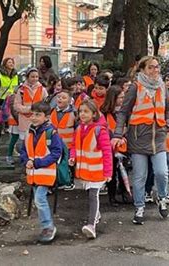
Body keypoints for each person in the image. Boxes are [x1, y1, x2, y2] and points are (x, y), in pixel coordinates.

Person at [112, 56, 169, 225]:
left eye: (157, 67)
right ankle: (139, 207)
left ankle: (162, 198)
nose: (155, 70)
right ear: (143, 70)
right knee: (140, 176)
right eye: (151, 67)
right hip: (138, 138)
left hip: (158, 137)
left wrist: (167, 125)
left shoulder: (162, 86)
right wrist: (117, 134)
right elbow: (123, 112)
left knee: (162, 172)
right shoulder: (135, 87)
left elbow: (168, 109)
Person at [69, 99, 112, 239]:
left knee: (93, 196)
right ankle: (96, 215)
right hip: (85, 170)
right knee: (91, 195)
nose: (82, 114)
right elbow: (74, 146)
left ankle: (91, 225)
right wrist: (73, 156)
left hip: (97, 171)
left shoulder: (100, 130)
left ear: (94, 114)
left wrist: (108, 172)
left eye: (85, 111)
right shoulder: (79, 129)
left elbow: (107, 152)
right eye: (80, 111)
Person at [20, 101, 62, 243]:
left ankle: (48, 226)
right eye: (32, 114)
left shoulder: (51, 132)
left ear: (46, 117)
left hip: (45, 172)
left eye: (38, 115)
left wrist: (37, 163)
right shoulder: (29, 131)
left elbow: (56, 153)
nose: (34, 117)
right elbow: (24, 149)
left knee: (39, 199)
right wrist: (25, 160)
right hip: (33, 173)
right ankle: (47, 226)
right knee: (40, 199)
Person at [100, 85, 126, 206]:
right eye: (120, 97)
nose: (122, 99)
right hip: (109, 147)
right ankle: (112, 196)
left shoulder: (125, 111)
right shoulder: (104, 113)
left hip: (123, 145)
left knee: (123, 171)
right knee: (112, 171)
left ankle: (124, 193)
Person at [14, 68, 48, 142]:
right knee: (24, 143)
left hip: (38, 121)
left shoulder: (42, 89)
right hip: (25, 121)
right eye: (32, 77)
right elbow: (16, 106)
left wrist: (39, 109)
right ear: (27, 77)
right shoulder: (21, 90)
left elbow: (46, 104)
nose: (35, 79)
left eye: (36, 77)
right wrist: (29, 109)